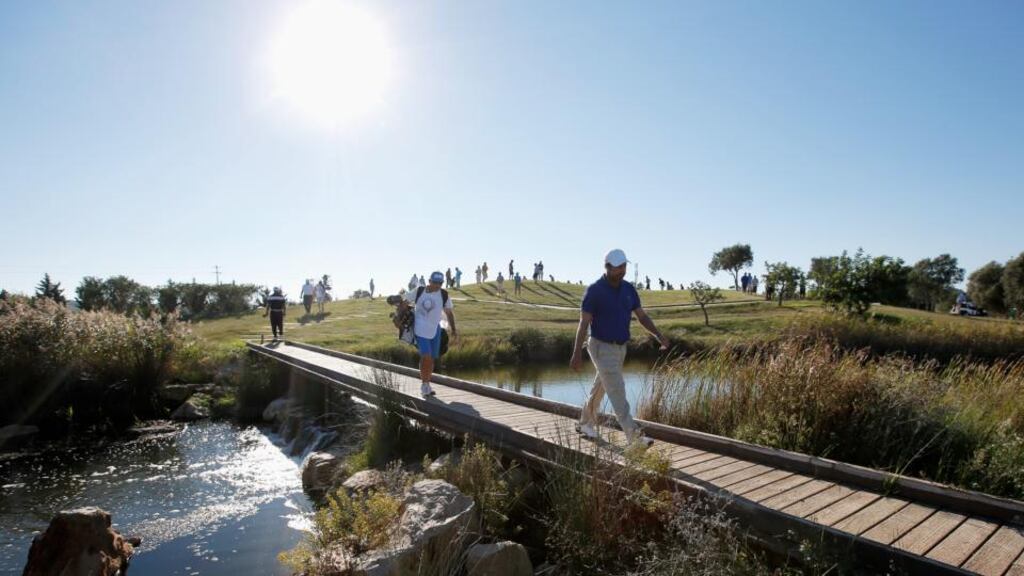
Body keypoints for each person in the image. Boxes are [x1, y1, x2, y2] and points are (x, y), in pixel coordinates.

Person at [571, 249, 670, 449]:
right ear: (607, 267)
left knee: (601, 387)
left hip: (620, 348)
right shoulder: (594, 291)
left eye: (624, 266)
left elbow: (642, 316)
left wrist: (658, 335)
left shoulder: (628, 289)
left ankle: (585, 424)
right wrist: (576, 353)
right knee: (617, 390)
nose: (622, 271)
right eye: (618, 267)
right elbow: (583, 324)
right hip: (600, 346)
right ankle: (634, 437)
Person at [414, 271, 457, 396]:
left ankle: (427, 384)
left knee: (432, 358)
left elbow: (449, 313)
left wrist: (453, 329)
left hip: (435, 329)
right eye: (435, 282)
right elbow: (405, 302)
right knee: (426, 356)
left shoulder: (443, 294)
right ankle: (424, 385)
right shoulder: (419, 291)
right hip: (420, 328)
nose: (437, 285)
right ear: (429, 281)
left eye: (440, 283)